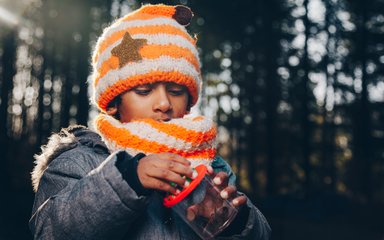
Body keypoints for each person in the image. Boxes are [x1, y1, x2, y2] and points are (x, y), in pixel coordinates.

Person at [29, 4, 271, 239]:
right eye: (144, 90)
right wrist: (127, 180)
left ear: (188, 102)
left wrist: (232, 221)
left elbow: (263, 234)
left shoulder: (210, 166)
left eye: (176, 91)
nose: (164, 103)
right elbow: (50, 231)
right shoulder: (79, 160)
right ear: (113, 102)